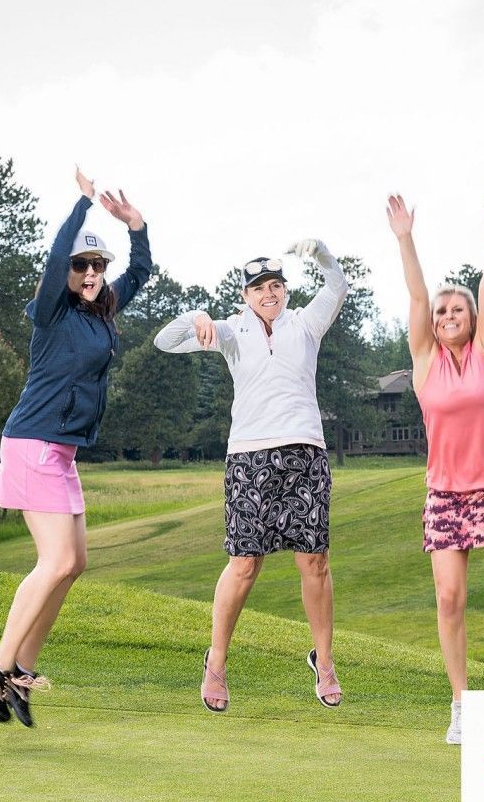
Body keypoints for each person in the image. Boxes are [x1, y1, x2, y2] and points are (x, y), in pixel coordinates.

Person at [0, 168, 150, 728]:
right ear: (67, 272)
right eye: (83, 265)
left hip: (61, 451)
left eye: (98, 265)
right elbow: (53, 259)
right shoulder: (51, 312)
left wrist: (136, 227)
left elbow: (142, 271)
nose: (92, 273)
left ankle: (21, 668)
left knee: (74, 563)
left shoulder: (102, 315)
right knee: (54, 561)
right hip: (30, 444)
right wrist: (82, 204)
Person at [154, 241, 348, 713]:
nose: (270, 293)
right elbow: (165, 340)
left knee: (314, 562)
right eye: (260, 287)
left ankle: (324, 662)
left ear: (285, 290)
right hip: (249, 458)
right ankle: (216, 663)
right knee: (244, 564)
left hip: (305, 454)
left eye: (277, 285)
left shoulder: (305, 323)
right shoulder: (232, 330)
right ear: (245, 295)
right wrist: (197, 315)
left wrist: (320, 252)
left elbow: (337, 284)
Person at [387, 192, 484, 746]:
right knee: (449, 599)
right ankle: (461, 705)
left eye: (458, 308)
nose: (448, 314)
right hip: (446, 497)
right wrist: (405, 237)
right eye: (442, 311)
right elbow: (417, 291)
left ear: (473, 318)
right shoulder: (424, 361)